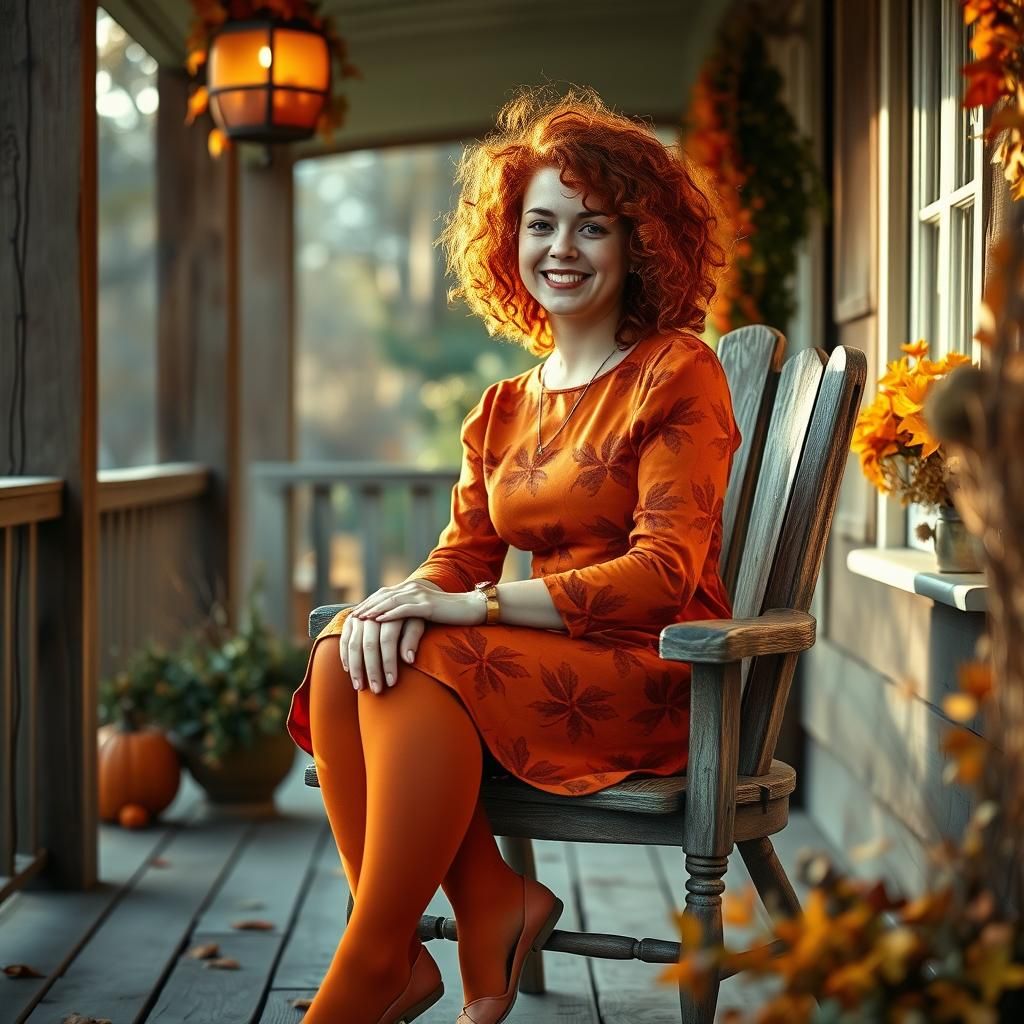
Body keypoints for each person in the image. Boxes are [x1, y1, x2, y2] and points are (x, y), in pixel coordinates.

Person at [284, 84, 741, 1024]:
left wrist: (470, 610)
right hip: (542, 662)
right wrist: (401, 599)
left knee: (430, 656)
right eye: (541, 224)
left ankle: (375, 963)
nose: (562, 250)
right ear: (509, 240)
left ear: (640, 242)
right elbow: (460, 557)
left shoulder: (674, 370)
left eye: (592, 227)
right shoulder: (503, 407)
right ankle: (476, 906)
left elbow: (663, 573)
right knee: (346, 651)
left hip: (658, 673)